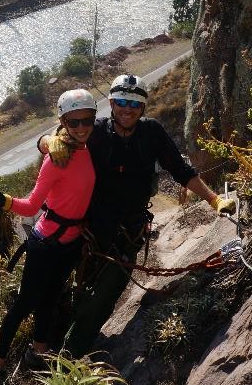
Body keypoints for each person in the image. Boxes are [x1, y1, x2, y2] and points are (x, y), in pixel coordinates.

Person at [41, 73, 236, 359]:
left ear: (143, 107)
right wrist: (49, 141)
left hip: (127, 233)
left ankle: (69, 356)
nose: (127, 108)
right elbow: (55, 136)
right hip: (88, 229)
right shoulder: (93, 131)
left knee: (104, 298)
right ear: (111, 103)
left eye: (134, 103)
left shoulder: (152, 133)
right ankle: (48, 339)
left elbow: (181, 171)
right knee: (70, 287)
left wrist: (214, 199)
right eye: (121, 101)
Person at [0, 88, 97, 385]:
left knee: (51, 297)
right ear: (63, 121)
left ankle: (40, 350)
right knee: (25, 304)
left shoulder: (89, 143)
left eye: (87, 120)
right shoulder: (55, 159)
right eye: (73, 122)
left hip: (71, 243)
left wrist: (51, 138)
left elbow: (52, 138)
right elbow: (32, 206)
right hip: (46, 243)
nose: (82, 127)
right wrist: (3, 202)